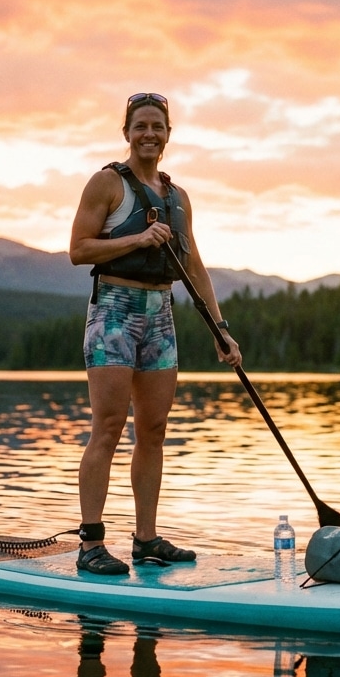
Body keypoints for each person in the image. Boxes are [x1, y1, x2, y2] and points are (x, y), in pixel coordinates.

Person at [69, 92, 242, 575]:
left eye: (158, 127)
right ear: (126, 133)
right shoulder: (106, 183)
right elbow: (78, 250)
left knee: (154, 431)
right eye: (140, 125)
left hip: (160, 315)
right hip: (115, 311)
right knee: (107, 427)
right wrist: (138, 238)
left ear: (168, 135)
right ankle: (91, 544)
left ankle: (145, 540)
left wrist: (219, 328)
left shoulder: (178, 197)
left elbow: (194, 265)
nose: (149, 134)